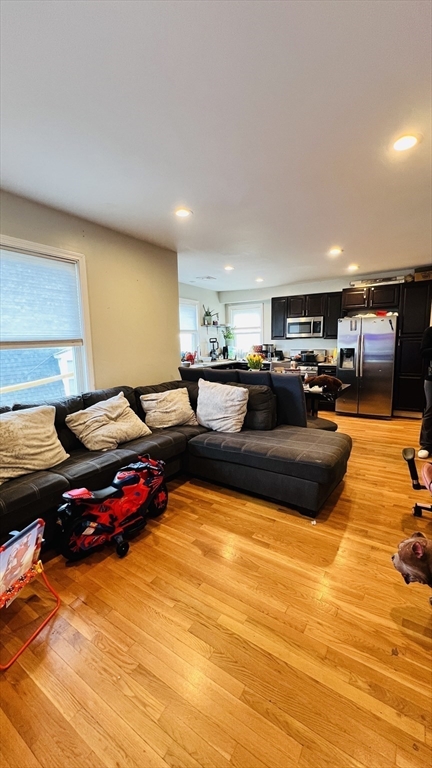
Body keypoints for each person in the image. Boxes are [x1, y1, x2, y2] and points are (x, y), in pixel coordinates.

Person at [418, 324, 432, 459]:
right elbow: (423, 352)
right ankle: (426, 444)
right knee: (430, 410)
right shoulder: (430, 331)